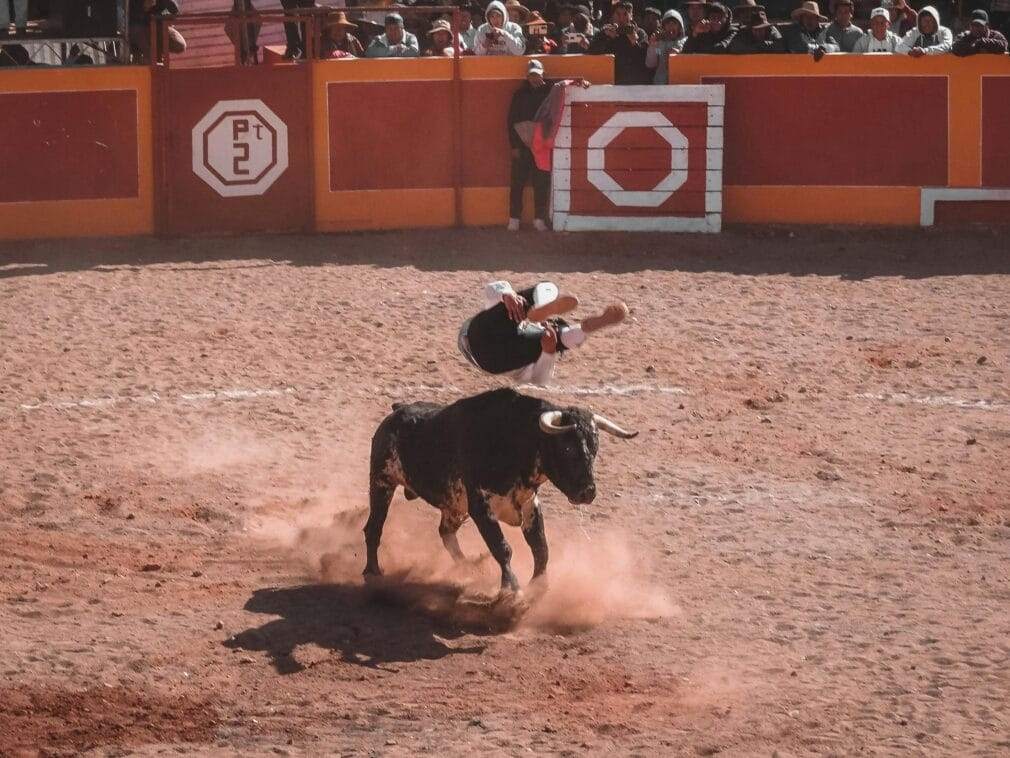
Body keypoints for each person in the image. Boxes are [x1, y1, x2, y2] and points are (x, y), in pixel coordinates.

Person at [458, 280, 629, 385]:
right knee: (520, 307)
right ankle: (580, 328)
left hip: (482, 347)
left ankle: (541, 302)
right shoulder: (534, 331)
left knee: (528, 307)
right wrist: (508, 295)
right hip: (489, 353)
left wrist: (548, 351)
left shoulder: (535, 336)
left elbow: (489, 289)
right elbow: (541, 380)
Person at [589, 1, 650, 84]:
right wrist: (605, 37)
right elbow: (591, 53)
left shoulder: (640, 33)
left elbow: (647, 62)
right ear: (612, 16)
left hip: (634, 81)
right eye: (618, 14)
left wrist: (634, 43)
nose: (621, 18)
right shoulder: (605, 32)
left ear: (631, 16)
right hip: (610, 81)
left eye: (625, 14)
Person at [646, 9, 686, 83]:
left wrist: (679, 54)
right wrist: (653, 46)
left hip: (679, 84)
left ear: (680, 27)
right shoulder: (659, 44)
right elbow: (651, 64)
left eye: (674, 23)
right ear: (663, 27)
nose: (671, 26)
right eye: (668, 23)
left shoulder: (685, 43)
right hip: (660, 85)